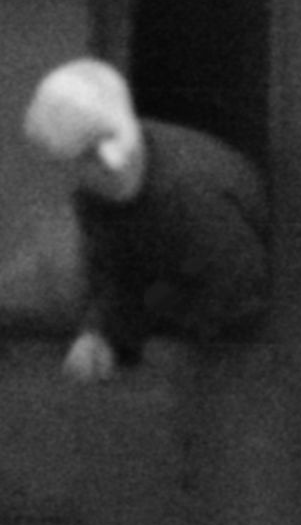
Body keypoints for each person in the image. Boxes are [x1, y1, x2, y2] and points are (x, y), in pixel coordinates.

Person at [23, 57, 268, 380]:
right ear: (67, 167)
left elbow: (240, 300)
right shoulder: (93, 199)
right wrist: (98, 334)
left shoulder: (192, 191)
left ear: (130, 118)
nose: (112, 161)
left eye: (112, 136)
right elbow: (116, 279)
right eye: (86, 156)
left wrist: (156, 333)